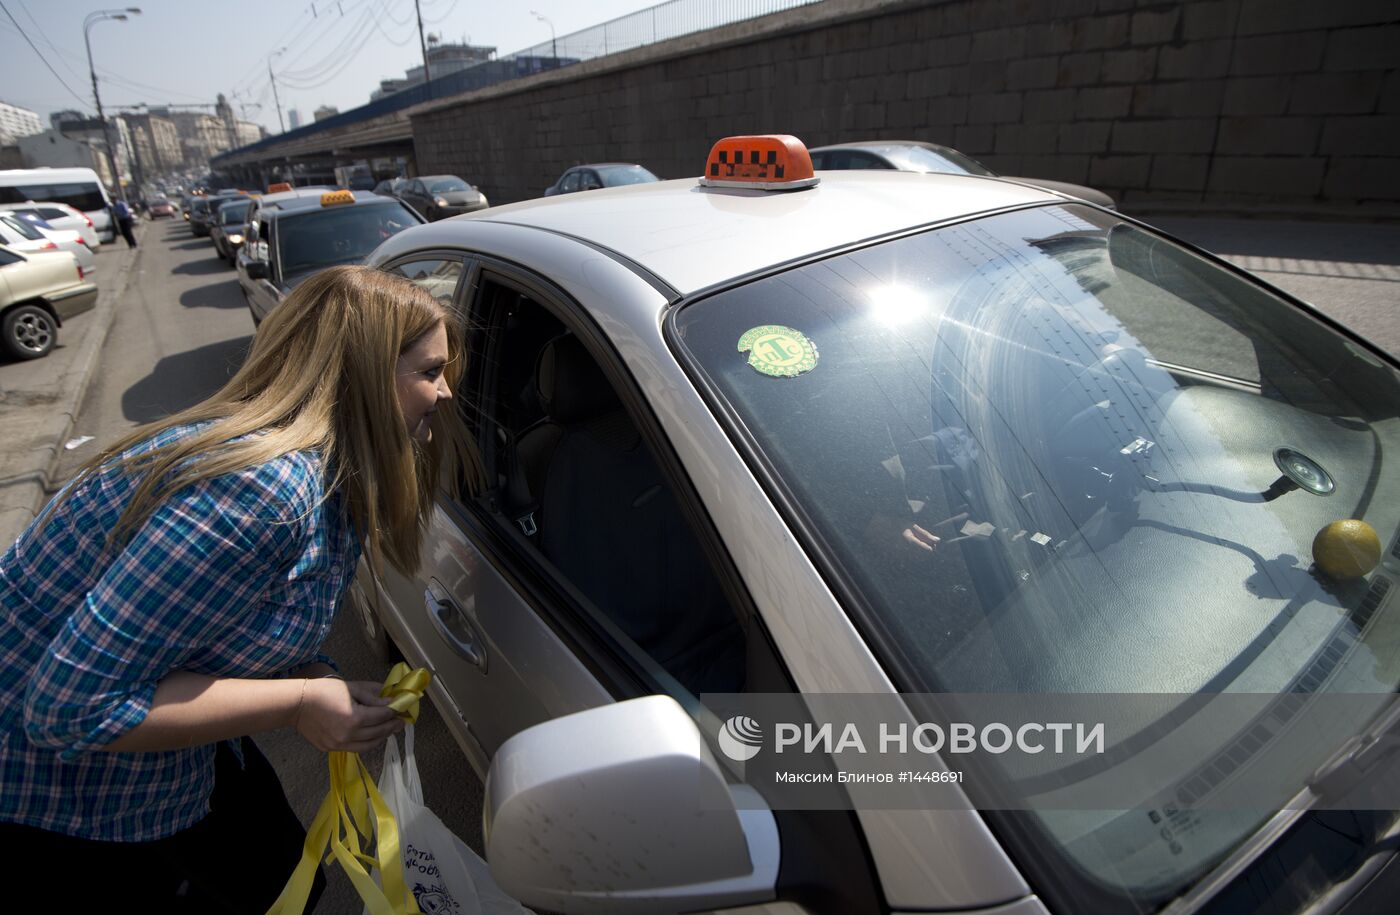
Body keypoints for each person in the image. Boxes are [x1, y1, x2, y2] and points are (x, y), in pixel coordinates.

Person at [0, 266, 479, 911]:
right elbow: (71, 708)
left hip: (167, 769)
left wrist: (310, 674)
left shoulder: (316, 473)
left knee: (283, 876)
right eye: (429, 373)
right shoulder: (262, 494)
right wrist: (302, 701)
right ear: (363, 378)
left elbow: (224, 618)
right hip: (72, 805)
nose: (446, 393)